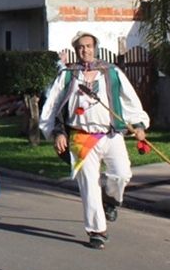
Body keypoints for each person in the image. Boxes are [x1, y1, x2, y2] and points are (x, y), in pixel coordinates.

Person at [38, 31, 149, 250]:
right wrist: (58, 133)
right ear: (76, 50)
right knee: (89, 185)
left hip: (110, 135)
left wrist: (138, 125)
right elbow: (53, 105)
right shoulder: (68, 75)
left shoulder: (112, 72)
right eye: (81, 47)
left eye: (89, 46)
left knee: (122, 174)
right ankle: (97, 231)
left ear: (95, 47)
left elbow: (130, 100)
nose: (85, 50)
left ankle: (112, 199)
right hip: (81, 137)